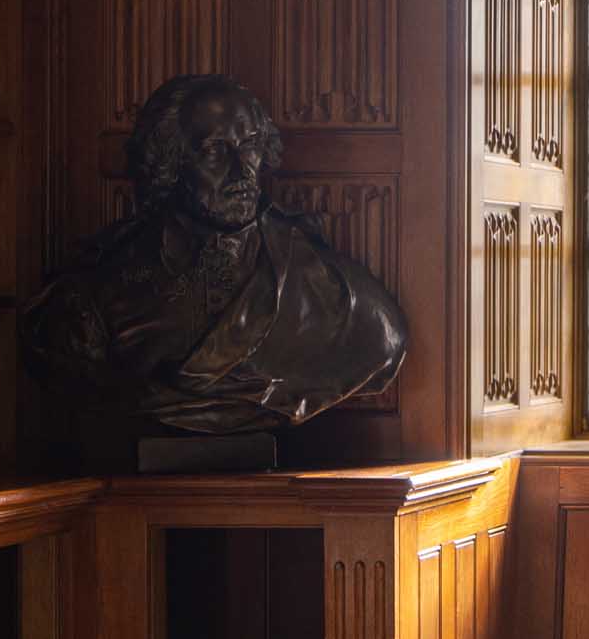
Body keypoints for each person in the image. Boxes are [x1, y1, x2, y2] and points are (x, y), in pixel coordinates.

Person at [21, 72, 408, 456]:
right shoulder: (95, 292)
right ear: (169, 164)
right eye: (215, 151)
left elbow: (386, 344)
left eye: (251, 145)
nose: (243, 171)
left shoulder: (345, 301)